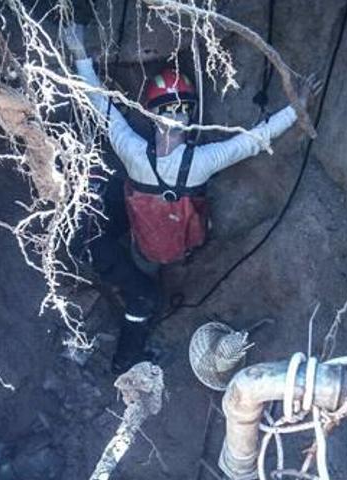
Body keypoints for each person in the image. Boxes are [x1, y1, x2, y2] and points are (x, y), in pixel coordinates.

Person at [64, 24, 314, 371]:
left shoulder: (135, 152)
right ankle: (122, 354)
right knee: (143, 292)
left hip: (139, 239)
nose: (178, 119)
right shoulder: (200, 162)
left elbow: (103, 108)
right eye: (178, 112)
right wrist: (295, 109)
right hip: (140, 243)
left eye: (178, 112)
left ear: (152, 116)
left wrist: (80, 57)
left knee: (119, 202)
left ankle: (87, 250)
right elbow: (252, 141)